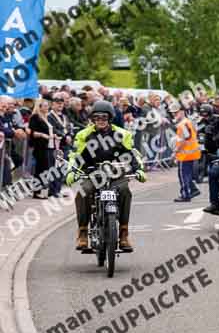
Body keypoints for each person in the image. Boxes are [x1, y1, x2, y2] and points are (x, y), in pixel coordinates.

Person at [65, 101, 147, 251]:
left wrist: (139, 169)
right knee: (83, 192)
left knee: (124, 191)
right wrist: (72, 171)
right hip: (93, 173)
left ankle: (123, 235)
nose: (100, 120)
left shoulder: (122, 134)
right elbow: (76, 155)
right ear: (92, 119)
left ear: (110, 118)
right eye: (97, 118)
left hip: (116, 173)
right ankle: (82, 233)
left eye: (104, 117)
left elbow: (132, 154)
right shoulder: (84, 135)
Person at [170, 102, 202, 202]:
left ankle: (185, 195)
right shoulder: (188, 121)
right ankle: (193, 189)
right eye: (173, 113)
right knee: (186, 174)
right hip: (191, 153)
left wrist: (175, 152)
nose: (174, 115)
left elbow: (185, 139)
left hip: (185, 154)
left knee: (183, 175)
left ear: (182, 112)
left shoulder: (182, 124)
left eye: (176, 112)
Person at [27, 98, 58, 199]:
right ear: (39, 107)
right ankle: (37, 192)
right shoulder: (35, 117)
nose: (47, 108)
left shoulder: (46, 117)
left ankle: (43, 190)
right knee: (40, 169)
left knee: (46, 169)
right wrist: (42, 135)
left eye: (47, 106)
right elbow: (31, 131)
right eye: (45, 106)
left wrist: (53, 135)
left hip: (49, 146)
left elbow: (48, 131)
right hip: (40, 146)